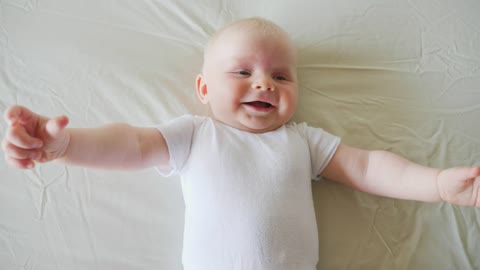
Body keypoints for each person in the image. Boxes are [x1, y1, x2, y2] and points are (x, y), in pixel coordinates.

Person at [2, 17, 479, 270]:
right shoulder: (195, 134)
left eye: (280, 76)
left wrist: (437, 184)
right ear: (204, 89)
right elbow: (131, 143)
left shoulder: (302, 142)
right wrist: (65, 147)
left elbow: (369, 168)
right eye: (242, 72)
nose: (264, 84)